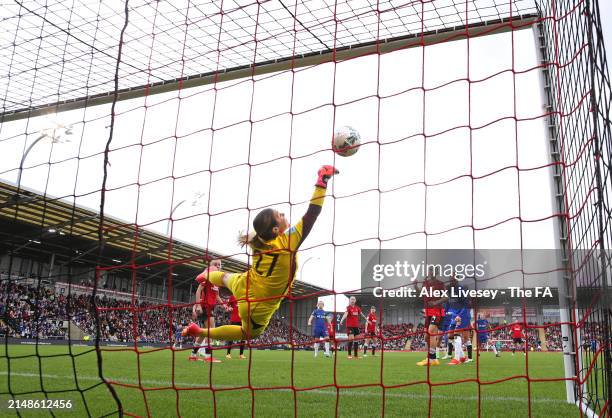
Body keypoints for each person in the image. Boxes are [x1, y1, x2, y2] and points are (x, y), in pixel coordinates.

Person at [183, 166, 338, 342]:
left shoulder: (260, 240)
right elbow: (312, 214)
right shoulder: (287, 243)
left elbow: (259, 232)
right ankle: (201, 332)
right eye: (279, 215)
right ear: (275, 229)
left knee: (226, 278)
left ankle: (207, 274)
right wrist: (321, 182)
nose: (283, 213)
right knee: (248, 334)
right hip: (257, 304)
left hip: (245, 282)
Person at [189, 259, 226, 363]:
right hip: (205, 307)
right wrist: (198, 305)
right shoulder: (207, 276)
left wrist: (224, 306)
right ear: (211, 266)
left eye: (219, 265)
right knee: (211, 331)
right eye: (215, 264)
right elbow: (198, 290)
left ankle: (193, 355)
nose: (218, 266)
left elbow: (217, 296)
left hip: (211, 307)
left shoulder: (216, 281)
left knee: (203, 333)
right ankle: (208, 357)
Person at [415, 268, 448, 366]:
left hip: (437, 311)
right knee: (426, 337)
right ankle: (431, 358)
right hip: (428, 313)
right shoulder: (425, 283)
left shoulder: (440, 284)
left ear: (437, 273)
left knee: (431, 333)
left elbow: (446, 297)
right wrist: (415, 285)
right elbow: (420, 293)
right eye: (430, 270)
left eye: (433, 271)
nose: (431, 272)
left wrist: (435, 302)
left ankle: (432, 359)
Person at [443, 276, 473, 364]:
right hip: (454, 315)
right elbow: (448, 304)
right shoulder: (449, 291)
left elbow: (466, 305)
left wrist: (460, 315)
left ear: (456, 281)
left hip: (462, 315)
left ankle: (456, 359)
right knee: (450, 336)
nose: (451, 282)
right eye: (450, 280)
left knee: (457, 334)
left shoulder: (461, 290)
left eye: (453, 280)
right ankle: (462, 356)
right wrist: (445, 312)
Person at [225, 294, 246, 359]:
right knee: (231, 337)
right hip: (234, 320)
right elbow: (226, 307)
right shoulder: (232, 297)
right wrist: (229, 308)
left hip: (243, 320)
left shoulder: (245, 297)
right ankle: (228, 354)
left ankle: (241, 354)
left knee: (243, 337)